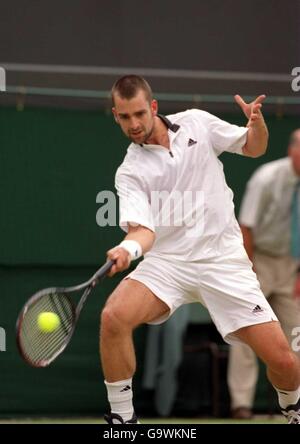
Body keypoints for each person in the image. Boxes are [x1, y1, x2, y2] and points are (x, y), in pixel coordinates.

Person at [100, 75, 300, 424]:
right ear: (115, 116)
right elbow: (142, 231)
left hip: (223, 261)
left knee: (284, 361)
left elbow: (254, 147)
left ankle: (293, 408)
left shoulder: (197, 122)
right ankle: (122, 421)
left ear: (154, 108)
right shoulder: (129, 171)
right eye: (124, 117)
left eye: (139, 114)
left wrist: (257, 124)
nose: (133, 124)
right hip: (168, 263)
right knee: (113, 317)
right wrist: (128, 250)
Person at [228, 129, 300, 419]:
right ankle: (241, 404)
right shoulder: (266, 178)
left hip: (291, 264)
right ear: (292, 150)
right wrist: (249, 269)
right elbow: (245, 225)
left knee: (296, 332)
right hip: (257, 259)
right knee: (248, 331)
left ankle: (295, 403)